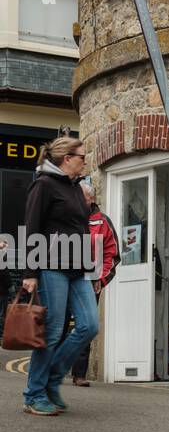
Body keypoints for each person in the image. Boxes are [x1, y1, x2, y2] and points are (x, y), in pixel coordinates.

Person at [20, 137, 96, 416]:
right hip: (51, 265)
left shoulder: (76, 188)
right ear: (67, 158)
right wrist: (30, 272)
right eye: (82, 157)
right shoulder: (44, 185)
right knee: (51, 332)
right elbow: (32, 228)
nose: (85, 161)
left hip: (78, 269)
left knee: (89, 325)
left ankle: (52, 379)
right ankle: (34, 394)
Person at [69, 181, 121, 385]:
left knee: (85, 325)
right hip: (64, 277)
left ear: (91, 199)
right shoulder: (67, 218)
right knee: (59, 324)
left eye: (83, 196)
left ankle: (79, 373)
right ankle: (52, 368)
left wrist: (101, 278)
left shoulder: (102, 221)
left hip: (89, 281)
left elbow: (113, 254)